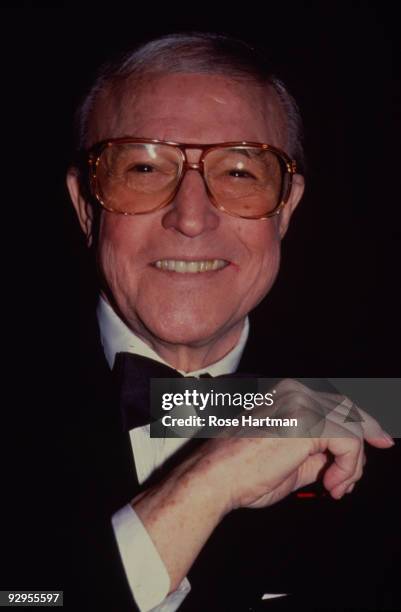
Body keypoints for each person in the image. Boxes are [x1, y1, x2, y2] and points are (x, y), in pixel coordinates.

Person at [64, 32, 398, 611]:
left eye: (241, 173)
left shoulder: (381, 416)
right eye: (144, 168)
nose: (191, 218)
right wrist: (205, 482)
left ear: (286, 210)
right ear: (85, 206)